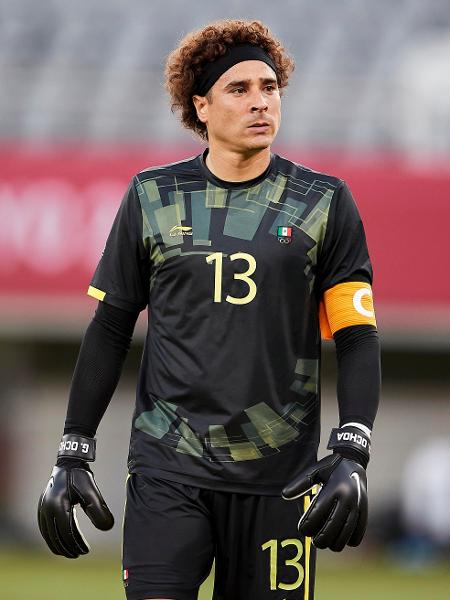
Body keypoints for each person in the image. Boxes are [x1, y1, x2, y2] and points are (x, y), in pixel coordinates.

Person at [37, 19, 381, 600]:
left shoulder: (324, 202)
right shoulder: (152, 196)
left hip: (283, 478)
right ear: (201, 105)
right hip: (169, 468)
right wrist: (74, 446)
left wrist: (353, 446)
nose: (260, 102)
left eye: (269, 87)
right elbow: (111, 328)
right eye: (239, 89)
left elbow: (356, 335)